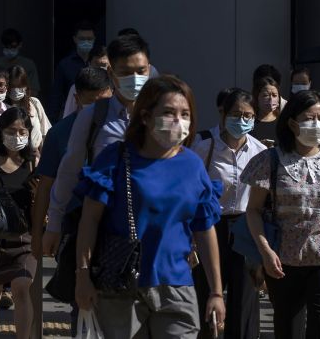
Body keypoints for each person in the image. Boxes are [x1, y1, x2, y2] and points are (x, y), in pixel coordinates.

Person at [75, 76, 226, 337]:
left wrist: (215, 291)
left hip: (177, 286)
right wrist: (83, 276)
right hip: (121, 287)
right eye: (168, 112)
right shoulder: (115, 158)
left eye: (185, 113)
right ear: (145, 117)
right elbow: (89, 220)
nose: (179, 121)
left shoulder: (193, 166)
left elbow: (205, 229)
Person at [241, 89, 320, 339]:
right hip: (283, 261)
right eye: (309, 119)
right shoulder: (270, 160)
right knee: (288, 330)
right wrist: (265, 252)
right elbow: (253, 210)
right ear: (292, 123)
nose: (317, 124)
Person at [42, 33, 152, 258]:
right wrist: (53, 224)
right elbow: (68, 172)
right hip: (105, 229)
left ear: (149, 69)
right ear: (111, 73)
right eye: (125, 72)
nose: (134, 78)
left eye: (140, 71)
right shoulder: (93, 116)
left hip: (154, 229)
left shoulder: (164, 116)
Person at [190, 88, 266, 339]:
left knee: (245, 296)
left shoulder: (260, 151)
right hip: (211, 226)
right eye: (236, 114)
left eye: (248, 115)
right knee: (208, 293)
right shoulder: (205, 146)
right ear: (223, 115)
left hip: (245, 226)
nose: (242, 120)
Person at [0, 107, 39, 339]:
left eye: (22, 131)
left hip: (24, 239)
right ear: (0, 131)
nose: (16, 136)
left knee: (21, 287)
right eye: (11, 131)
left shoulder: (32, 163)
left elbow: (40, 206)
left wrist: (38, 195)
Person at [51, 20, 99, 120]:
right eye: (82, 39)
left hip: (98, 114)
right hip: (72, 115)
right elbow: (57, 96)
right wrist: (53, 121)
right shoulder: (65, 65)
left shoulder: (100, 62)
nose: (86, 42)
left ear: (94, 39)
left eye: (89, 39)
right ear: (75, 39)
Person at [61, 43, 112, 118]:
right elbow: (68, 115)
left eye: (104, 65)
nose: (100, 69)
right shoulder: (77, 87)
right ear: (89, 64)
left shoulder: (118, 86)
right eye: (96, 65)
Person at [6, 64, 51, 149]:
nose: (16, 90)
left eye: (19, 87)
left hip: (36, 155)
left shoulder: (34, 103)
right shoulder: (2, 107)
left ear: (26, 86)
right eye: (12, 87)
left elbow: (45, 131)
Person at [0, 28, 43, 95]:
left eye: (13, 46)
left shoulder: (28, 65)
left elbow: (34, 90)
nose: (10, 50)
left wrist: (18, 95)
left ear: (20, 45)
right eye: (6, 47)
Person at [252, 77, 280, 146]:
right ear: (256, 97)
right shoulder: (249, 122)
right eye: (265, 95)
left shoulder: (283, 121)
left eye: (274, 95)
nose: (271, 99)